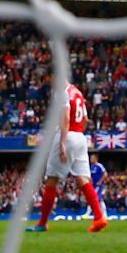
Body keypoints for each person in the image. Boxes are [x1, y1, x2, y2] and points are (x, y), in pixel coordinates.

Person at [31, 82, 107, 233]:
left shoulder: (62, 92)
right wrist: (77, 134)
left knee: (52, 179)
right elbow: (85, 119)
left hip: (67, 135)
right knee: (82, 179)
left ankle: (42, 223)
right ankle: (99, 217)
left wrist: (63, 142)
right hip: (80, 136)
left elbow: (65, 117)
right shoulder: (78, 92)